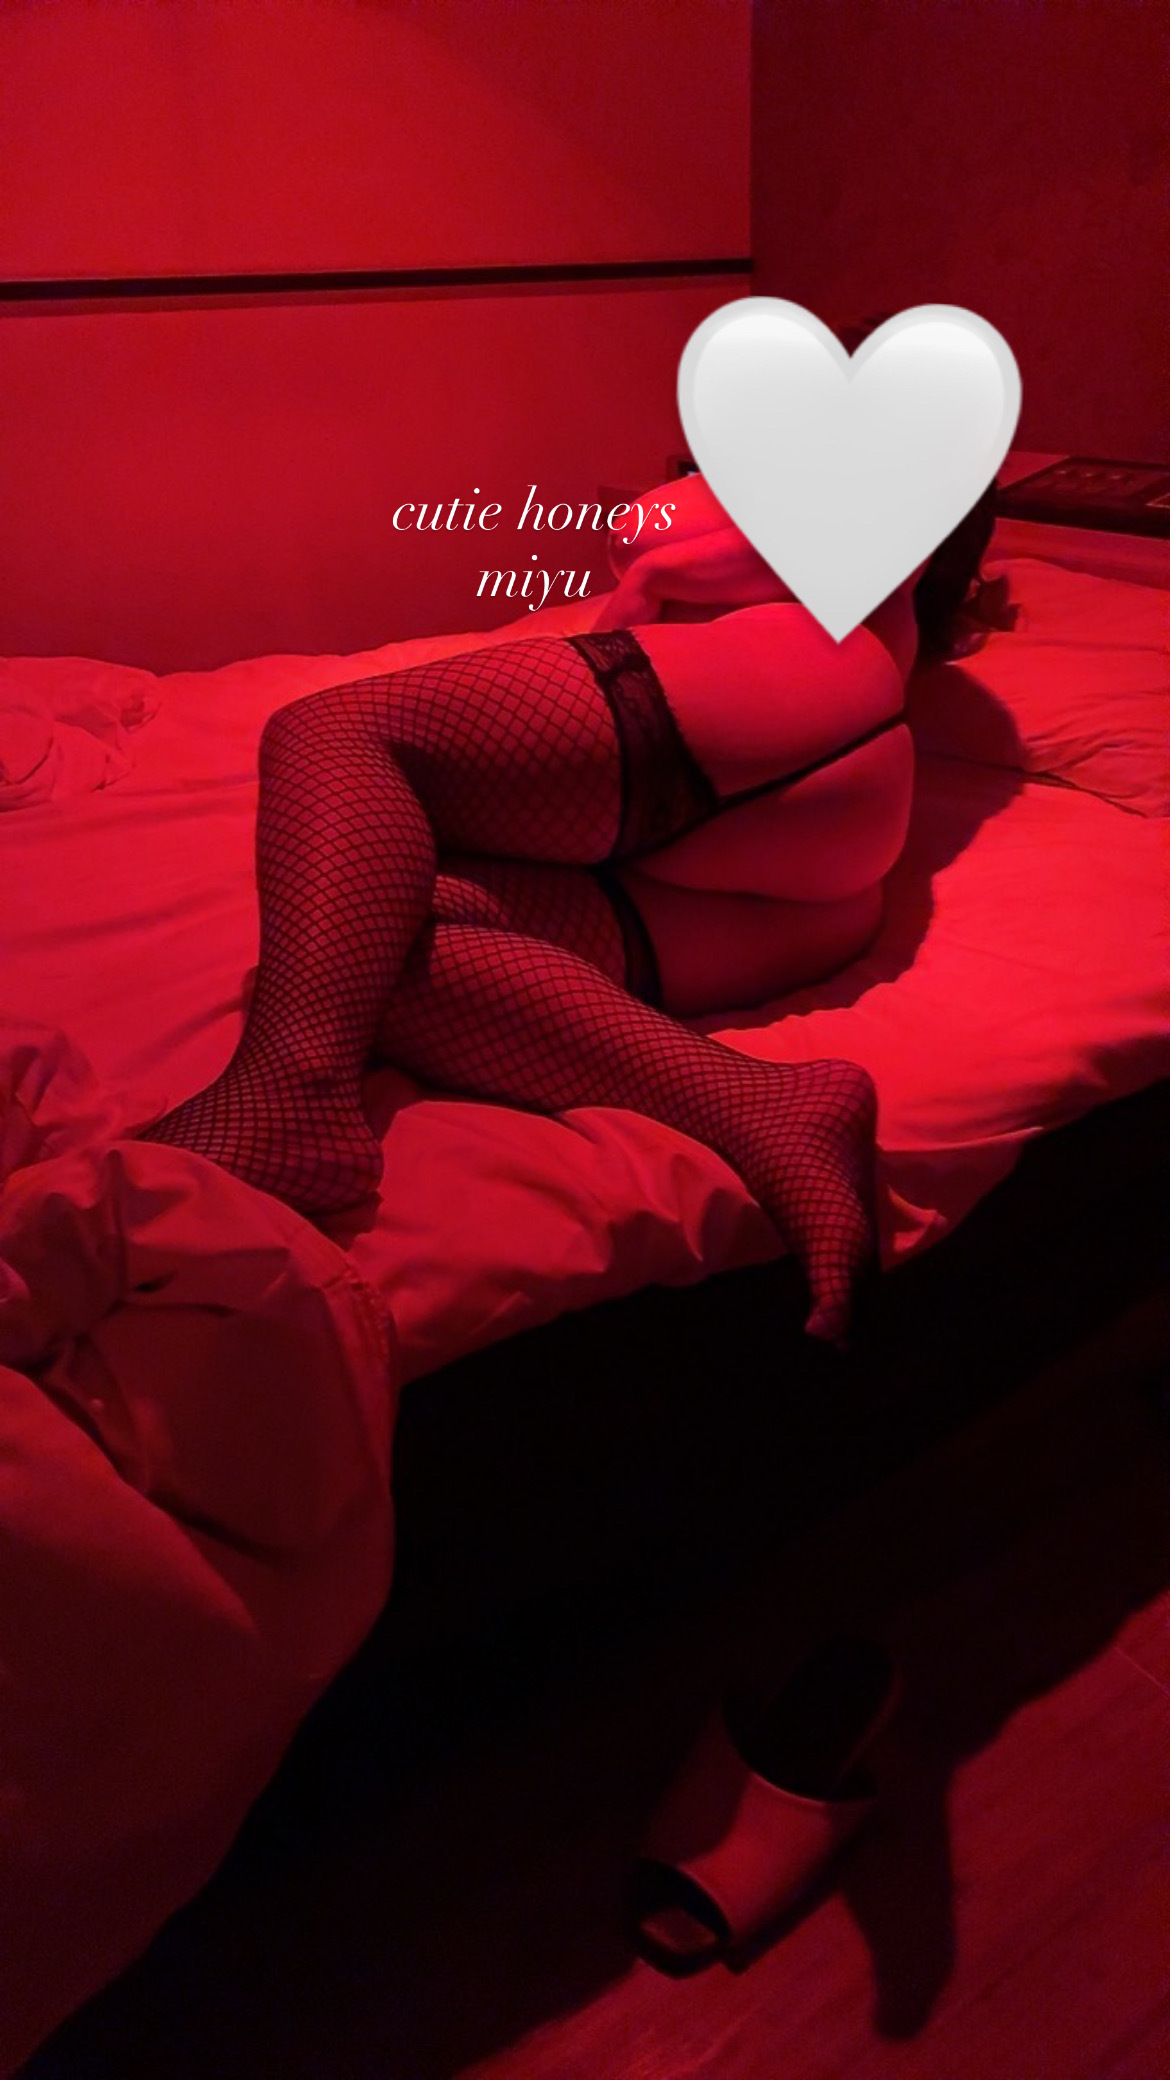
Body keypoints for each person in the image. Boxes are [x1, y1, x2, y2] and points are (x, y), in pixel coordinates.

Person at [137, 469, 998, 1350]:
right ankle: (766, 1106)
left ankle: (285, 1089)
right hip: (811, 872)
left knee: (332, 733)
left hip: (787, 696)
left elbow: (695, 531)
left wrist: (652, 580)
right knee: (364, 941)